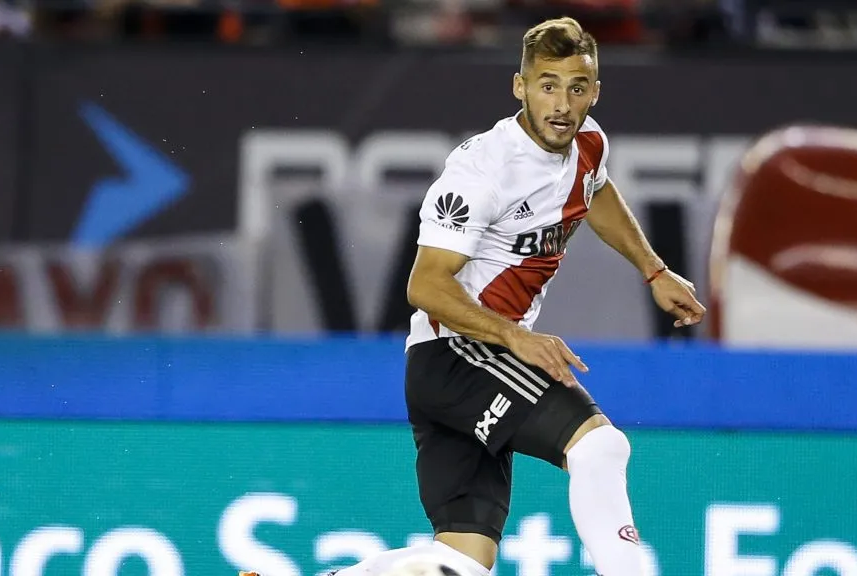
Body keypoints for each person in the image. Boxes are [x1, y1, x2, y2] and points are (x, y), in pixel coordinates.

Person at [250, 15, 706, 576]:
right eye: (547, 85)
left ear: (594, 92)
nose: (561, 103)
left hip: (462, 366)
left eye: (576, 87)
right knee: (598, 448)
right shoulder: (481, 169)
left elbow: (596, 191)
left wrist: (654, 269)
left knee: (460, 566)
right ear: (520, 86)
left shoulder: (589, 146)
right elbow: (425, 285)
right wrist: (516, 336)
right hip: (457, 354)